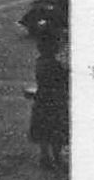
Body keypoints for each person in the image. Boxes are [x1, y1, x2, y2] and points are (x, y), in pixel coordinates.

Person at [28, 34, 69, 170]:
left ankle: (44, 157)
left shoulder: (40, 62)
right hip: (55, 100)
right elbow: (63, 80)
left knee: (44, 129)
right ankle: (57, 158)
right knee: (56, 130)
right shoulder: (55, 65)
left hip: (42, 99)